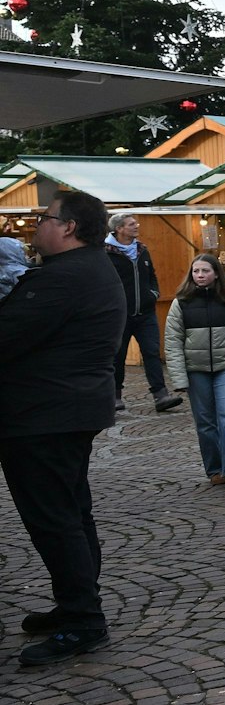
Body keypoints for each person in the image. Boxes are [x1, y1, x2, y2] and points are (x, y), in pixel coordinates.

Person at [0, 191, 127, 665]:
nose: (36, 226)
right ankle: (77, 604)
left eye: (44, 218)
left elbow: (7, 336)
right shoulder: (92, 268)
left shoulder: (64, 277)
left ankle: (83, 620)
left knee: (55, 519)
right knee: (72, 512)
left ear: (69, 227)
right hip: (64, 409)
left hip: (44, 415)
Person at [163, 254, 225, 487]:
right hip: (196, 370)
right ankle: (215, 469)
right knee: (205, 421)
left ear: (216, 273)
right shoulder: (181, 302)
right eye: (196, 271)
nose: (200, 275)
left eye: (205, 271)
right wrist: (179, 378)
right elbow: (172, 342)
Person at [105, 212, 182, 413]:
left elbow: (152, 275)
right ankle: (115, 396)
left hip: (146, 313)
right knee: (117, 356)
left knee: (151, 352)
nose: (136, 225)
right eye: (131, 224)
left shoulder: (141, 250)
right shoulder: (106, 252)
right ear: (119, 229)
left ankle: (160, 395)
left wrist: (153, 293)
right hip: (119, 315)